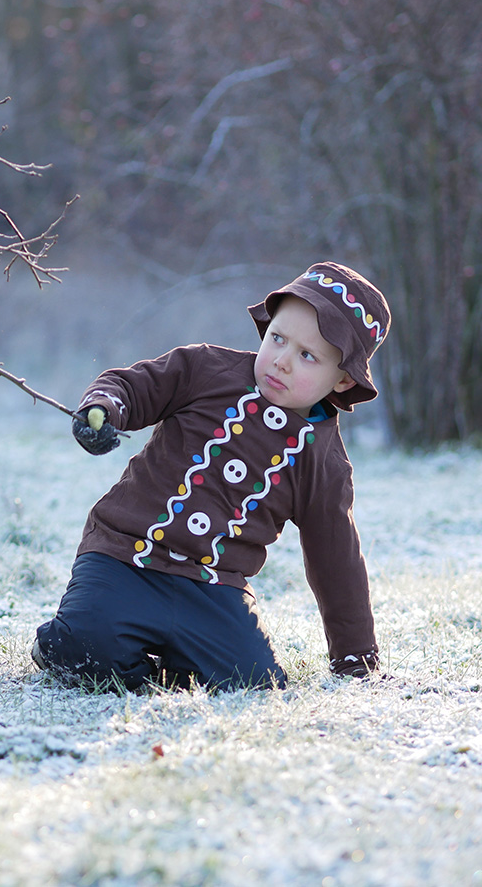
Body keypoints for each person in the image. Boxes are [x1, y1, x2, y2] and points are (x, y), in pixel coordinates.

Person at [32, 262, 391, 692]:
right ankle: (70, 640)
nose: (281, 361)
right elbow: (134, 386)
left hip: (213, 588)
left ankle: (172, 664)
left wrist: (355, 656)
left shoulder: (323, 460)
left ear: (343, 379)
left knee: (254, 684)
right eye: (277, 338)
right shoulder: (205, 370)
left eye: (307, 356)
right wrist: (104, 408)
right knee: (86, 646)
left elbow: (337, 560)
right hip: (125, 557)